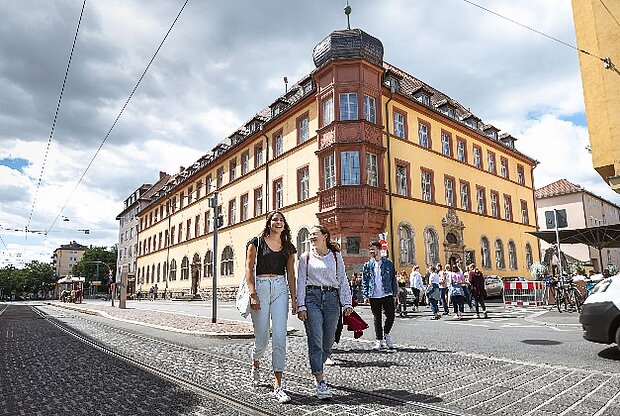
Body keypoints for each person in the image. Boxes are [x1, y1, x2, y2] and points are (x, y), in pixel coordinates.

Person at [245, 211, 297, 403]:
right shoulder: (256, 242)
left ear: (284, 225)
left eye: (281, 220)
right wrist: (253, 294)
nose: (278, 222)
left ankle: (278, 385)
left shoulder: (289, 247)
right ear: (268, 223)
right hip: (260, 288)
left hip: (280, 289)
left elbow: (291, 275)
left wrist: (295, 299)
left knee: (280, 336)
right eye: (275, 219)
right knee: (262, 339)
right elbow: (248, 269)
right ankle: (255, 363)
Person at [297, 225, 352, 399]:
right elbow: (300, 283)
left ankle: (318, 365)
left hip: (331, 299)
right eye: (311, 234)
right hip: (312, 298)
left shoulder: (336, 256)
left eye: (315, 234)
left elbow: (342, 279)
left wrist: (347, 303)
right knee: (316, 341)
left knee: (328, 340)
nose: (312, 236)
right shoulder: (305, 257)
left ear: (325, 236)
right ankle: (319, 380)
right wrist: (301, 306)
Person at [361, 241, 398, 350]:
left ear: (379, 249)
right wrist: (365, 295)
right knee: (377, 318)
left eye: (373, 249)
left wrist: (395, 294)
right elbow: (365, 280)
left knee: (391, 316)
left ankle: (386, 333)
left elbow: (393, 279)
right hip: (374, 295)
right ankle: (379, 340)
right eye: (370, 249)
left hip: (387, 293)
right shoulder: (368, 265)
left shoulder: (388, 264)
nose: (371, 251)